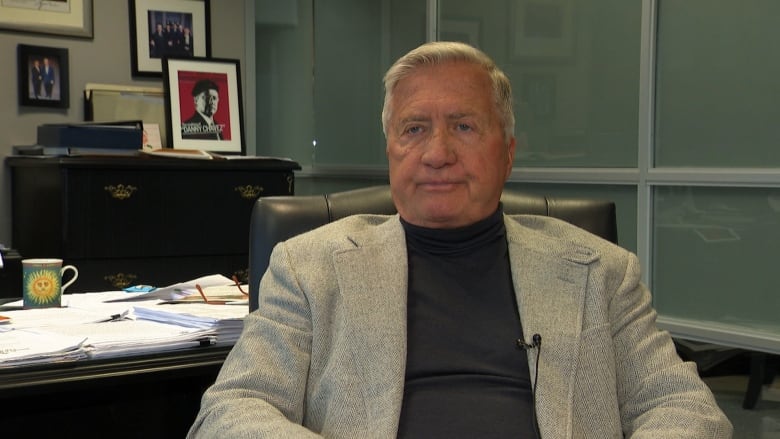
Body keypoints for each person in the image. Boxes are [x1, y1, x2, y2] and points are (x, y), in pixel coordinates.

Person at [187, 41, 732, 438]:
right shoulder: (309, 267)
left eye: (465, 127)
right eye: (414, 128)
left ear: (508, 153)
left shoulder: (601, 272)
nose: (438, 152)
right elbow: (233, 408)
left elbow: (685, 407)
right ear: (391, 152)